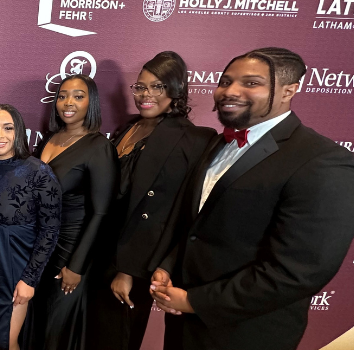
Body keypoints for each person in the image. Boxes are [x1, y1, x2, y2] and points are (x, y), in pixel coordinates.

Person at [150, 47, 354, 350]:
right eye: (225, 81)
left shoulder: (323, 161)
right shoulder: (219, 142)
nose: (229, 91)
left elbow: (298, 272)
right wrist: (168, 265)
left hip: (247, 333)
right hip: (184, 324)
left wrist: (195, 301)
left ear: (289, 91)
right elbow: (199, 225)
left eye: (251, 83)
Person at [92, 52, 215, 350]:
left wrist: (128, 271)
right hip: (99, 251)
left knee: (116, 339)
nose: (146, 95)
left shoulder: (190, 139)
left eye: (157, 87)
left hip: (131, 261)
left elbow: (163, 212)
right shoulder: (131, 127)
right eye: (140, 87)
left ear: (176, 90)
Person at [34, 74, 118, 350]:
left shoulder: (98, 147)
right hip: (39, 249)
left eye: (78, 96)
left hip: (70, 252)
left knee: (56, 332)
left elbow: (101, 213)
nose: (68, 102)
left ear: (91, 103)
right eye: (62, 96)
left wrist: (77, 266)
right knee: (36, 324)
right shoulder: (50, 137)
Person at [0, 104, 61, 350]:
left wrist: (30, 280)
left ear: (18, 132)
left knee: (6, 342)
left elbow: (50, 230)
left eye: (7, 128)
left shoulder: (38, 172)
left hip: (15, 269)